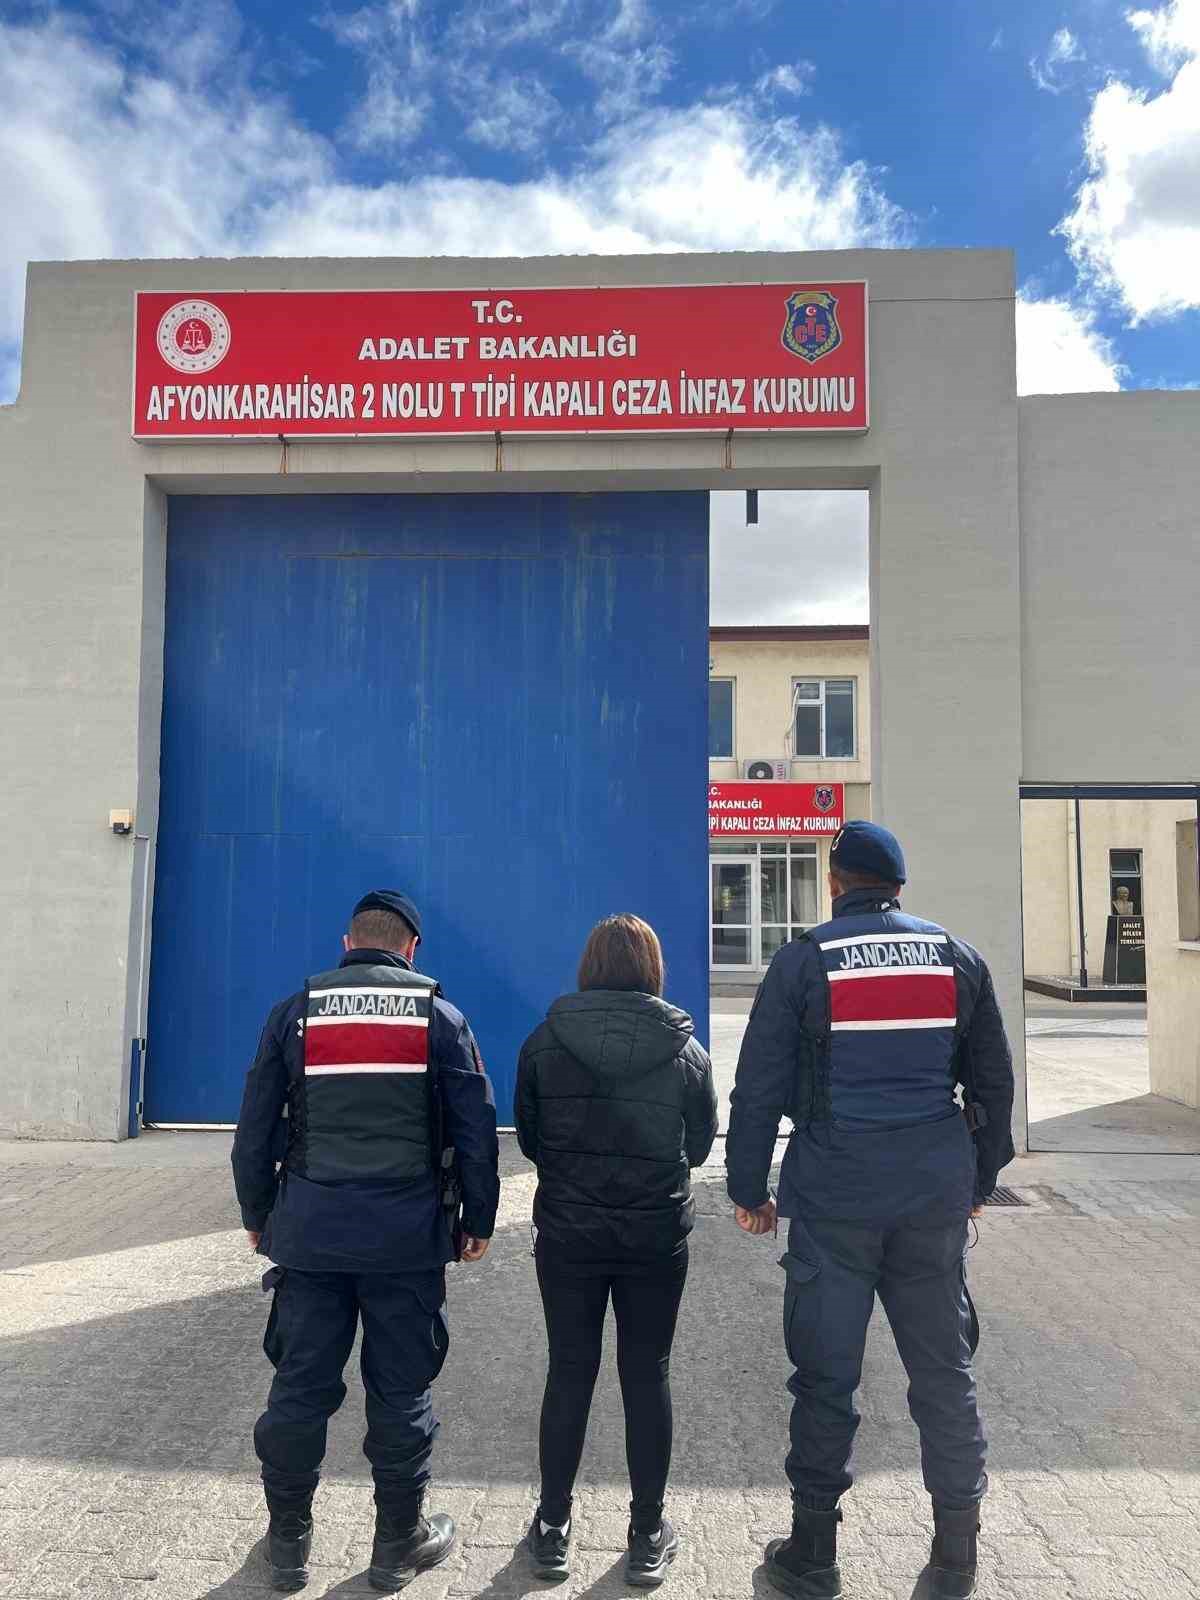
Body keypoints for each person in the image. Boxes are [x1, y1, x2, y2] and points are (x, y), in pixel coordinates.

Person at [726, 823, 1014, 1600]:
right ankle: (956, 1558)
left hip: (835, 1203)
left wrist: (749, 1190)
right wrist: (978, 1179)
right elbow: (994, 1086)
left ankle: (813, 1556)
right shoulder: (957, 957)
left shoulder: (804, 961)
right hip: (931, 1202)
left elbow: (757, 1089)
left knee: (825, 1380)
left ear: (834, 880)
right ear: (898, 886)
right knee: (944, 1376)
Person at [231, 889, 501, 1594]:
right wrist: (479, 1221)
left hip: (310, 1238)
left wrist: (258, 1214)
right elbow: (477, 1130)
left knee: (299, 1387)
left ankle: (289, 1544)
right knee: (400, 1389)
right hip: (406, 1242)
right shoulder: (440, 1016)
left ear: (349, 945)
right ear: (411, 949)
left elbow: (255, 1128)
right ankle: (396, 1544)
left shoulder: (296, 1015)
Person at [514, 915, 718, 1588]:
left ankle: (552, 1529)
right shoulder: (687, 1052)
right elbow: (697, 1148)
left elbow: (532, 1141)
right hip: (655, 1237)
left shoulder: (545, 1043)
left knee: (569, 1369)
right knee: (646, 1372)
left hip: (569, 1234)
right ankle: (647, 1532)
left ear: (588, 966)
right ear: (653, 968)